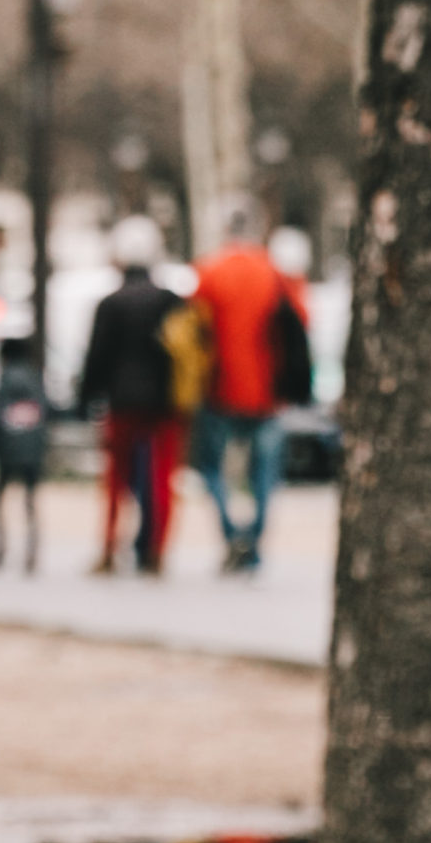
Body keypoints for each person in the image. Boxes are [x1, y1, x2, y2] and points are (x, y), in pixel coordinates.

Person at [191, 206, 310, 572]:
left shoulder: (208, 272)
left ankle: (231, 534)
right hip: (267, 392)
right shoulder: (274, 274)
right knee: (263, 475)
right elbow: (301, 323)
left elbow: (194, 331)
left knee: (211, 468)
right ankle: (254, 541)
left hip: (220, 388)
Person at [77, 215, 183, 575]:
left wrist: (87, 397)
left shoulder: (111, 304)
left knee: (115, 480)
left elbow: (97, 357)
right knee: (161, 479)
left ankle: (109, 547)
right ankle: (155, 551)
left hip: (121, 401)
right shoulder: (170, 301)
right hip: (164, 403)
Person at [0, 333, 48, 574]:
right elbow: (46, 413)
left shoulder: (4, 379)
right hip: (32, 450)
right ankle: (32, 551)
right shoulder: (35, 379)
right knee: (30, 501)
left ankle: (0, 547)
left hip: (7, 450)